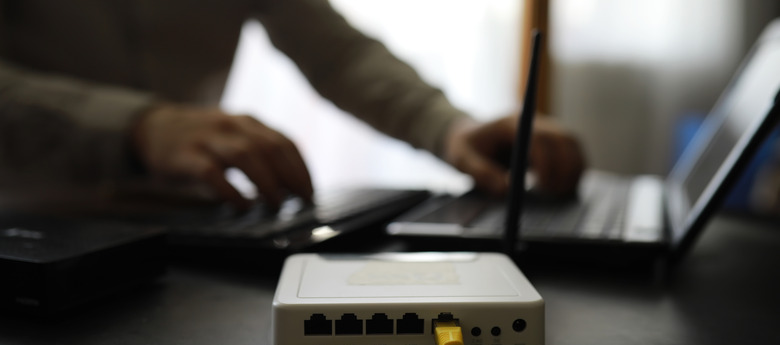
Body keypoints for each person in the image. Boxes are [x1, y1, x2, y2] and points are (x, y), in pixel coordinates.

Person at [0, 0, 584, 210]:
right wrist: (137, 127)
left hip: (187, 228)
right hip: (24, 230)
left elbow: (338, 54)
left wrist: (451, 128)